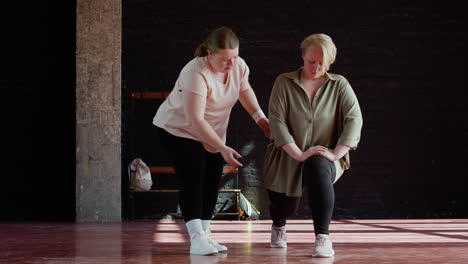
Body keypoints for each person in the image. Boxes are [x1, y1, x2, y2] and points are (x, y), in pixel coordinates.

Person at [153, 26, 270, 255]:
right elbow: (195, 119)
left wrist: (261, 119)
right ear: (209, 53)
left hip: (212, 132)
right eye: (225, 59)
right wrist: (222, 148)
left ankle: (206, 235)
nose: (231, 64)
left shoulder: (238, 66)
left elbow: (243, 89)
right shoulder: (195, 72)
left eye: (235, 57)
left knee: (212, 178)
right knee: (194, 175)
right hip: (178, 130)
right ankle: (196, 239)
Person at [263, 33, 363, 257]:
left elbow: (354, 119)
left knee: (318, 167)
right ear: (302, 56)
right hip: (286, 154)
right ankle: (278, 226)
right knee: (285, 207)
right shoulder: (284, 82)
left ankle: (323, 238)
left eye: (322, 63)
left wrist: (337, 153)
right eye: (311, 61)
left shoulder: (339, 85)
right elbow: (277, 122)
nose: (316, 67)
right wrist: (298, 153)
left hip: (323, 153)